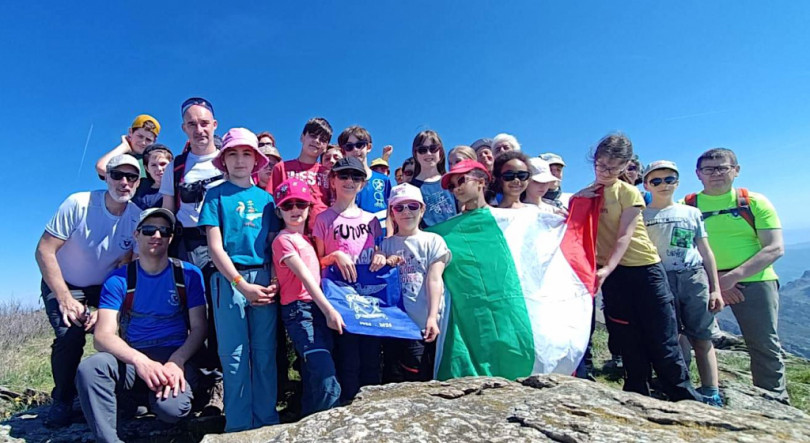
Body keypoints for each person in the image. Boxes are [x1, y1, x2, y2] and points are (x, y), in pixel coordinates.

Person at [576, 133, 700, 402]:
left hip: (644, 270)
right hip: (613, 275)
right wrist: (577, 200)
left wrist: (607, 268)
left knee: (662, 337)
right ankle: (636, 395)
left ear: (625, 166)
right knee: (627, 336)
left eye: (613, 167)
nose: (605, 171)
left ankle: (682, 397)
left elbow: (625, 235)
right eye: (600, 165)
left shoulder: (628, 192)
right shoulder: (588, 194)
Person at [75, 208, 207, 442]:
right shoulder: (119, 279)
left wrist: (177, 361)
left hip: (172, 358)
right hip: (133, 358)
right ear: (136, 235)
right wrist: (140, 361)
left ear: (171, 237)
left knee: (171, 410)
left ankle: (147, 400)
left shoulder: (189, 275)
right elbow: (102, 336)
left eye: (164, 231)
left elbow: (199, 328)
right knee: (91, 368)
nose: (156, 235)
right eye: (149, 230)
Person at [35, 154, 143, 428]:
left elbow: (126, 262)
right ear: (106, 177)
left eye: (131, 177)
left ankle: (125, 395)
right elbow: (44, 251)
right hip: (64, 280)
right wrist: (64, 298)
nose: (124, 182)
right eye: (117, 175)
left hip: (105, 285)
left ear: (138, 182)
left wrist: (109, 312)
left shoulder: (136, 218)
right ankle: (63, 399)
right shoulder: (79, 204)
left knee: (125, 330)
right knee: (70, 335)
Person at [685, 148, 787, 402]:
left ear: (736, 170)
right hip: (705, 283)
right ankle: (684, 389)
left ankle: (774, 401)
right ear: (698, 174)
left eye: (723, 167)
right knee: (687, 337)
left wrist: (730, 278)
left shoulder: (754, 202)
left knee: (763, 344)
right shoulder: (686, 206)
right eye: (709, 169)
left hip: (755, 282)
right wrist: (716, 282)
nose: (716, 174)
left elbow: (774, 247)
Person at [198, 128, 280, 431]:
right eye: (232, 153)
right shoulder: (215, 196)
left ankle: (267, 423)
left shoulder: (267, 199)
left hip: (263, 279)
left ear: (256, 159)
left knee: (264, 356)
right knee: (234, 357)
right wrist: (240, 284)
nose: (240, 160)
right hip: (228, 281)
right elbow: (214, 247)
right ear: (224, 160)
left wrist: (273, 279)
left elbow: (273, 243)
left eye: (247, 153)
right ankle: (237, 426)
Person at [159, 96, 225, 410]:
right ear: (184, 128)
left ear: (214, 125)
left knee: (221, 313)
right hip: (187, 245)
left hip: (224, 244)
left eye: (204, 123)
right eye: (192, 124)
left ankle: (222, 383)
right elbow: (168, 211)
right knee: (192, 313)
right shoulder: (177, 165)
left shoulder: (229, 158)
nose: (199, 129)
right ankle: (198, 380)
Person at [641, 160, 724, 407]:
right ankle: (681, 386)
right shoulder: (642, 215)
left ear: (677, 182)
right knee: (672, 337)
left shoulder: (691, 212)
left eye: (669, 179)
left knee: (702, 336)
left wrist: (715, 288)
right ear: (647, 184)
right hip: (660, 278)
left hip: (693, 276)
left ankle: (711, 391)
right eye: (656, 181)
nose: (663, 185)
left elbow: (706, 251)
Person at [312, 157, 386, 403]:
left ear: (363, 184)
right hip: (341, 302)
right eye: (343, 176)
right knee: (348, 360)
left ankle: (373, 413)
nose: (349, 181)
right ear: (333, 180)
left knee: (372, 358)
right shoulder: (322, 220)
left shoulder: (372, 220)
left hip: (371, 301)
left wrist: (381, 257)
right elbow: (318, 262)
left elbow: (379, 253)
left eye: (356, 177)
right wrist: (334, 256)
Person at [272, 177, 344, 415]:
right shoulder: (283, 240)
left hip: (315, 308)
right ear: (279, 210)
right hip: (300, 311)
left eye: (300, 204)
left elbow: (314, 267)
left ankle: (308, 423)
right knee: (325, 376)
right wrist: (329, 310)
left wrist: (333, 257)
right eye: (287, 205)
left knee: (316, 374)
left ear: (309, 208)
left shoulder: (306, 240)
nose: (295, 210)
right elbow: (305, 277)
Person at [380, 183, 451, 382]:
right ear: (392, 213)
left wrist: (431, 317)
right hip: (393, 326)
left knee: (418, 377)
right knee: (392, 377)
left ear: (422, 209)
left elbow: (435, 279)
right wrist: (380, 256)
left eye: (412, 206)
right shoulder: (385, 245)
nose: (406, 212)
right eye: (399, 207)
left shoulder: (434, 240)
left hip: (420, 324)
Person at [265, 118, 333, 232]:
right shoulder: (281, 168)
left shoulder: (328, 173)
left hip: (323, 235)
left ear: (326, 147)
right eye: (312, 135)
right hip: (290, 234)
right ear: (302, 137)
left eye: (323, 139)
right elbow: (270, 204)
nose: (316, 141)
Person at [337, 126, 392, 234]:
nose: (355, 150)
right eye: (349, 147)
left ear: (369, 147)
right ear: (343, 152)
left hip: (381, 243)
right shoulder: (340, 182)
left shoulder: (383, 180)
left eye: (359, 145)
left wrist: (389, 237)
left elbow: (391, 214)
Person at [409, 130, 457, 227]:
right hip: (427, 240)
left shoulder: (452, 181)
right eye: (422, 150)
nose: (428, 153)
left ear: (441, 152)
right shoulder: (410, 188)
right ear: (415, 154)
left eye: (433, 148)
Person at [95, 114, 161, 179]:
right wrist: (124, 146)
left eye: (148, 140)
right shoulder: (120, 158)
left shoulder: (153, 160)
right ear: (130, 132)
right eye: (140, 136)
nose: (143, 143)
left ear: (154, 141)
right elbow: (101, 168)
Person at [132, 144, 173, 210]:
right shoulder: (139, 185)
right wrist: (125, 146)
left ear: (172, 165)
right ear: (147, 169)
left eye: (163, 164)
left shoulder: (178, 189)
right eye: (153, 165)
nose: (159, 168)